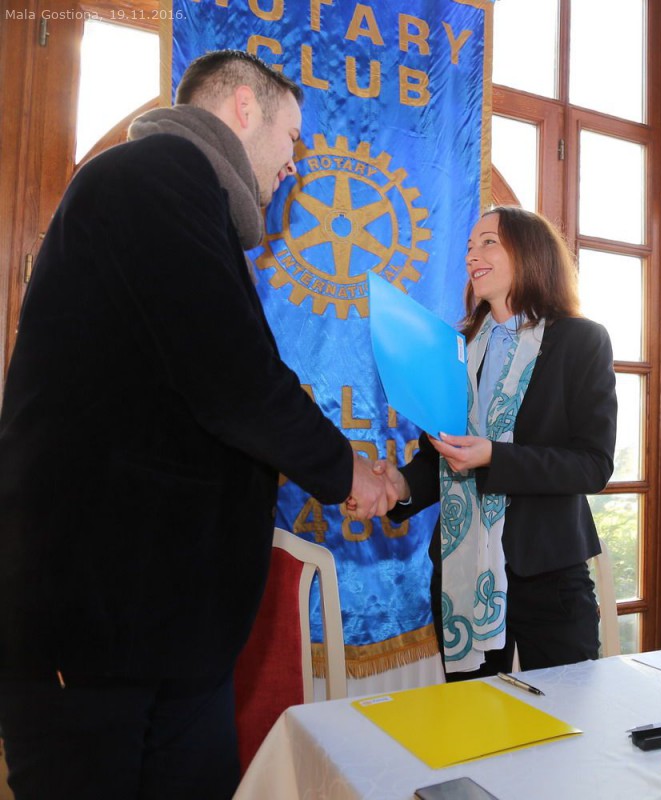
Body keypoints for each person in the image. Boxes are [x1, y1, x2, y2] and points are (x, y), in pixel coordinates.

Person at [0, 50, 396, 799]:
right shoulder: (155, 174)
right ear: (244, 107)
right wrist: (350, 471)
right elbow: (234, 379)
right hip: (95, 633)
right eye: (291, 136)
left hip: (163, 635)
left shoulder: (185, 200)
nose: (293, 161)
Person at [379, 206, 617, 679]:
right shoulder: (456, 347)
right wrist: (399, 487)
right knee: (475, 721)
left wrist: (494, 457)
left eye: (489, 242)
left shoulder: (581, 341)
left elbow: (593, 465)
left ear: (531, 253)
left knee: (569, 716)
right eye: (470, 246)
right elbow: (439, 456)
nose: (472, 256)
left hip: (548, 574)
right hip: (462, 574)